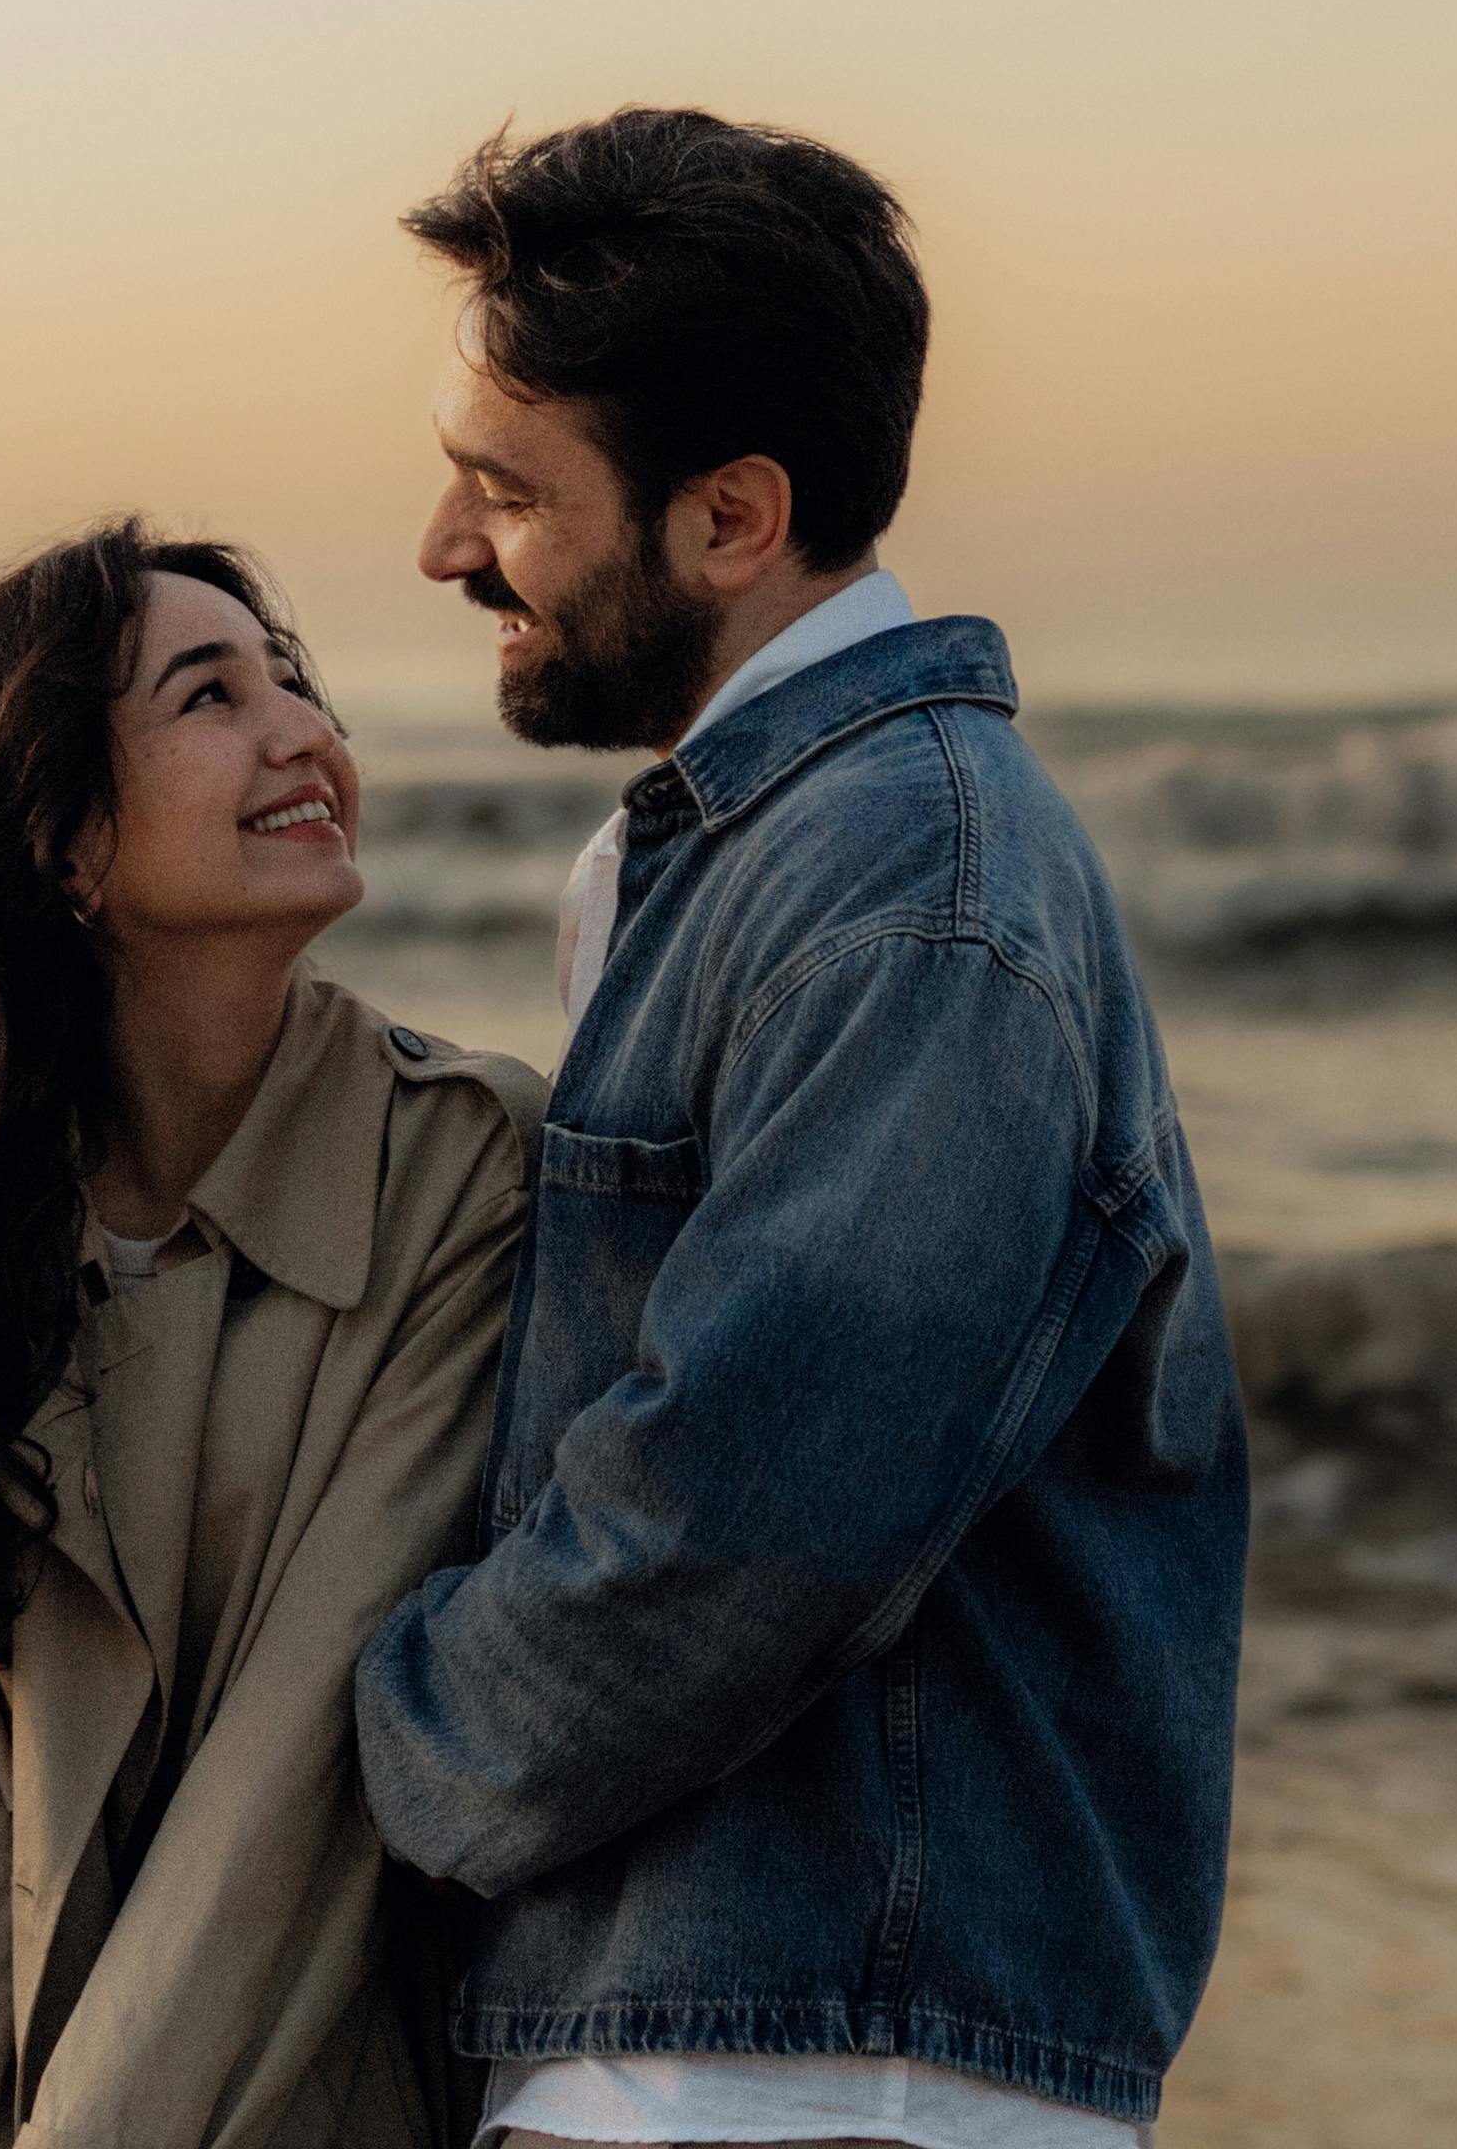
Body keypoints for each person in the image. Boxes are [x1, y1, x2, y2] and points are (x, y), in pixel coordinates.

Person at [352, 112, 1249, 2149]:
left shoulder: (908, 885)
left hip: (811, 2057)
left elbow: (744, 1510)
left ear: (732, 517)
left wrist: (392, 1757)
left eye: (507, 492)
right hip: (721, 2023)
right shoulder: (762, 854)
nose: (442, 550)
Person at [0, 522, 541, 2149]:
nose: (306, 732)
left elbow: (295, 1787)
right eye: (210, 697)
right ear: (64, 842)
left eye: (296, 682)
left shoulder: (462, 1169)